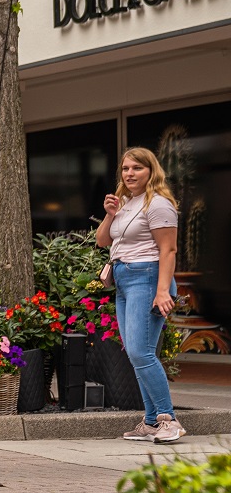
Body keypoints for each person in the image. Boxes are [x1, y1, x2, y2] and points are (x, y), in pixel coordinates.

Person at [99, 147, 183, 444]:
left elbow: (168, 250)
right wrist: (111, 216)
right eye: (125, 168)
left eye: (137, 168)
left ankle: (167, 419)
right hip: (124, 280)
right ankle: (149, 422)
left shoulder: (158, 204)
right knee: (138, 354)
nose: (130, 174)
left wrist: (162, 291)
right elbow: (102, 240)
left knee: (140, 352)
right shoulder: (126, 203)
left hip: (147, 278)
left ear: (151, 171)